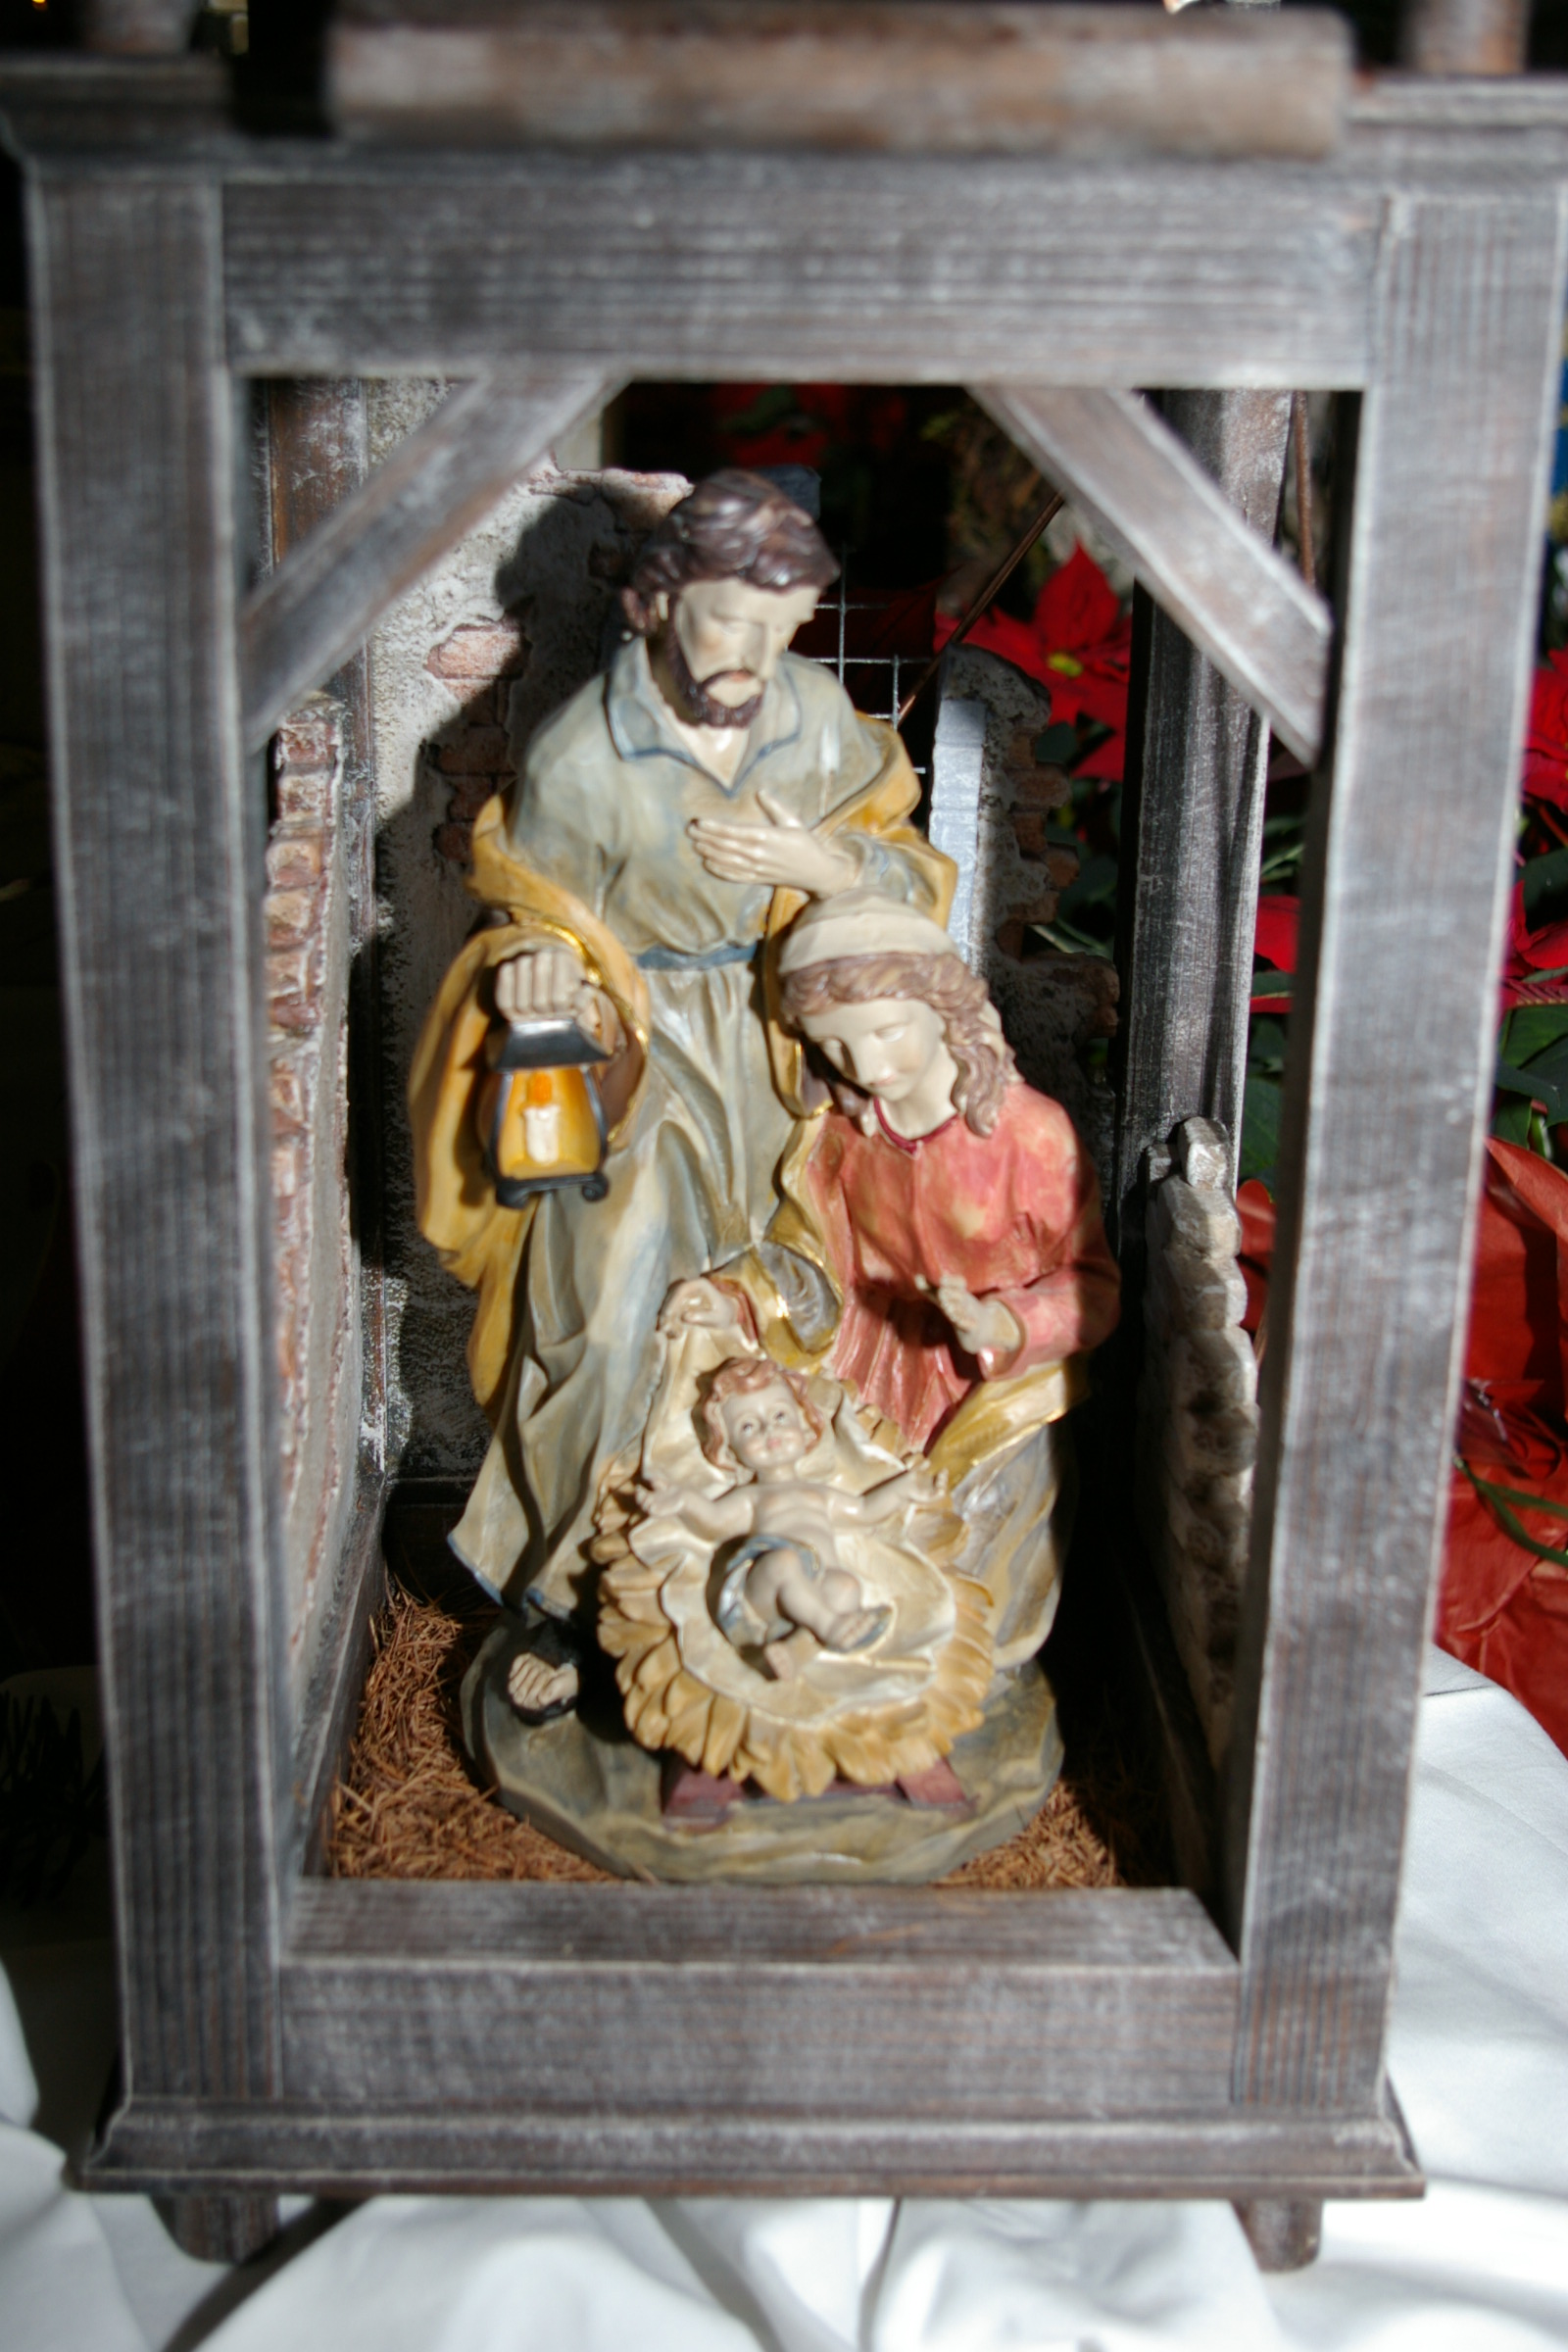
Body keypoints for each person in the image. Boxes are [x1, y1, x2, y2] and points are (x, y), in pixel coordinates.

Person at [409, 473, 953, 1717]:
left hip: (782, 1050)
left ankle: (799, 1571)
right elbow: (531, 910)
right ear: (655, 608)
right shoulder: (584, 753)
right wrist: (543, 967)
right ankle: (582, 1596)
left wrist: (828, 863)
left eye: (783, 627)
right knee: (605, 1320)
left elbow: (906, 874)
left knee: (790, 1300)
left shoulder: (818, 722)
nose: (754, 657)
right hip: (638, 1051)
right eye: (727, 623)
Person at [663, 888, 1119, 1670]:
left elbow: (1096, 1288)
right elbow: (812, 1259)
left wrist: (1007, 1323)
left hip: (991, 1401)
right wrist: (736, 1294)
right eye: (836, 1048)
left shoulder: (1030, 1136)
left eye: (886, 1032)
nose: (868, 1067)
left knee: (975, 1581)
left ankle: (963, 1681)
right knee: (837, 1549)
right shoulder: (841, 1134)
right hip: (866, 1377)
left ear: (944, 1008)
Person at [635, 1354, 944, 1678]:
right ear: (730, 1449)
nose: (770, 1430)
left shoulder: (818, 1495)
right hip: (766, 1589)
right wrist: (682, 1501)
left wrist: (904, 1488)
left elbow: (864, 1511)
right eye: (748, 1426)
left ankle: (797, 1651)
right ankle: (831, 1626)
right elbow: (713, 1522)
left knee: (846, 1586)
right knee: (784, 1561)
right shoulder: (753, 1497)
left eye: (780, 1415)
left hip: (818, 1589)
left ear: (804, 1424)